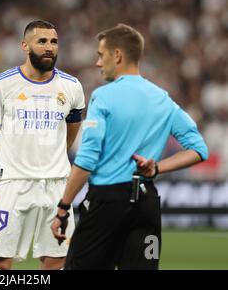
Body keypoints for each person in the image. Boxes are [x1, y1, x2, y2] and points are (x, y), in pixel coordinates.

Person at [51, 23, 209, 270]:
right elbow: (199, 149)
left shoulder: (103, 97)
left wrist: (63, 207)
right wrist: (156, 168)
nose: (98, 63)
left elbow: (88, 159)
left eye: (101, 55)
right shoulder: (163, 99)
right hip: (146, 203)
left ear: (117, 55)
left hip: (106, 202)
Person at [0, 20, 86, 270]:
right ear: (25, 46)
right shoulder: (1, 85)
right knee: (0, 261)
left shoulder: (72, 87)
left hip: (57, 187)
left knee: (56, 262)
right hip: (14, 186)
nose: (49, 47)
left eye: (54, 42)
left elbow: (71, 132)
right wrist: (10, 166)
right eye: (42, 41)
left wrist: (52, 158)